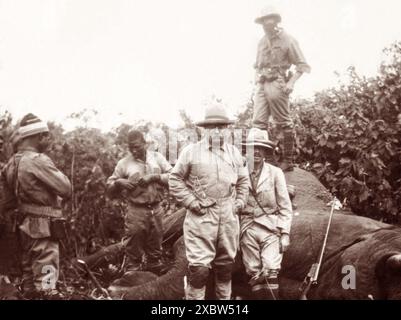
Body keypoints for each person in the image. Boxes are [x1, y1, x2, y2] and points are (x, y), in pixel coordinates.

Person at [169, 103, 249, 300]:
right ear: (204, 129)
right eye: (212, 126)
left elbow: (243, 180)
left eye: (221, 126)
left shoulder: (234, 153)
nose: (217, 131)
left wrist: (239, 202)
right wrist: (192, 202)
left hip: (228, 215)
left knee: (225, 268)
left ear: (227, 129)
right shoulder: (191, 152)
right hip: (202, 216)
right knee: (199, 271)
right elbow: (175, 179)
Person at [0, 113, 71, 299]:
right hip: (43, 226)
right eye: (46, 136)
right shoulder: (37, 160)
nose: (48, 140)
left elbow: (7, 203)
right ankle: (48, 293)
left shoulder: (10, 164)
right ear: (38, 137)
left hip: (23, 225)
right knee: (47, 271)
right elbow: (65, 188)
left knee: (29, 274)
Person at [252, 5, 311, 171]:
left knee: (283, 122)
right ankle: (269, 159)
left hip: (278, 82)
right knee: (258, 123)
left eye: (268, 20)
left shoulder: (288, 40)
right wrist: (256, 83)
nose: (265, 24)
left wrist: (291, 83)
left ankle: (288, 160)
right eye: (263, 21)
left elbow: (302, 65)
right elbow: (257, 66)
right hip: (262, 83)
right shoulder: (262, 42)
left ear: (276, 20)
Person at [107, 129, 172, 275]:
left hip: (156, 208)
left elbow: (173, 177)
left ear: (145, 143)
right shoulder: (124, 163)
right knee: (134, 242)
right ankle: (132, 275)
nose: (134, 151)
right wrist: (119, 182)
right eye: (131, 148)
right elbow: (109, 187)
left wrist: (155, 177)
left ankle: (154, 273)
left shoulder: (157, 158)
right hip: (136, 209)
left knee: (156, 242)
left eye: (137, 146)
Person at [240, 128, 293, 299]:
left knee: (271, 268)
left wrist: (285, 234)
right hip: (246, 227)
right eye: (252, 147)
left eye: (260, 147)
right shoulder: (238, 172)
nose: (256, 151)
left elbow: (285, 206)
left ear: (266, 151)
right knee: (253, 270)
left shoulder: (275, 173)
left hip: (270, 227)